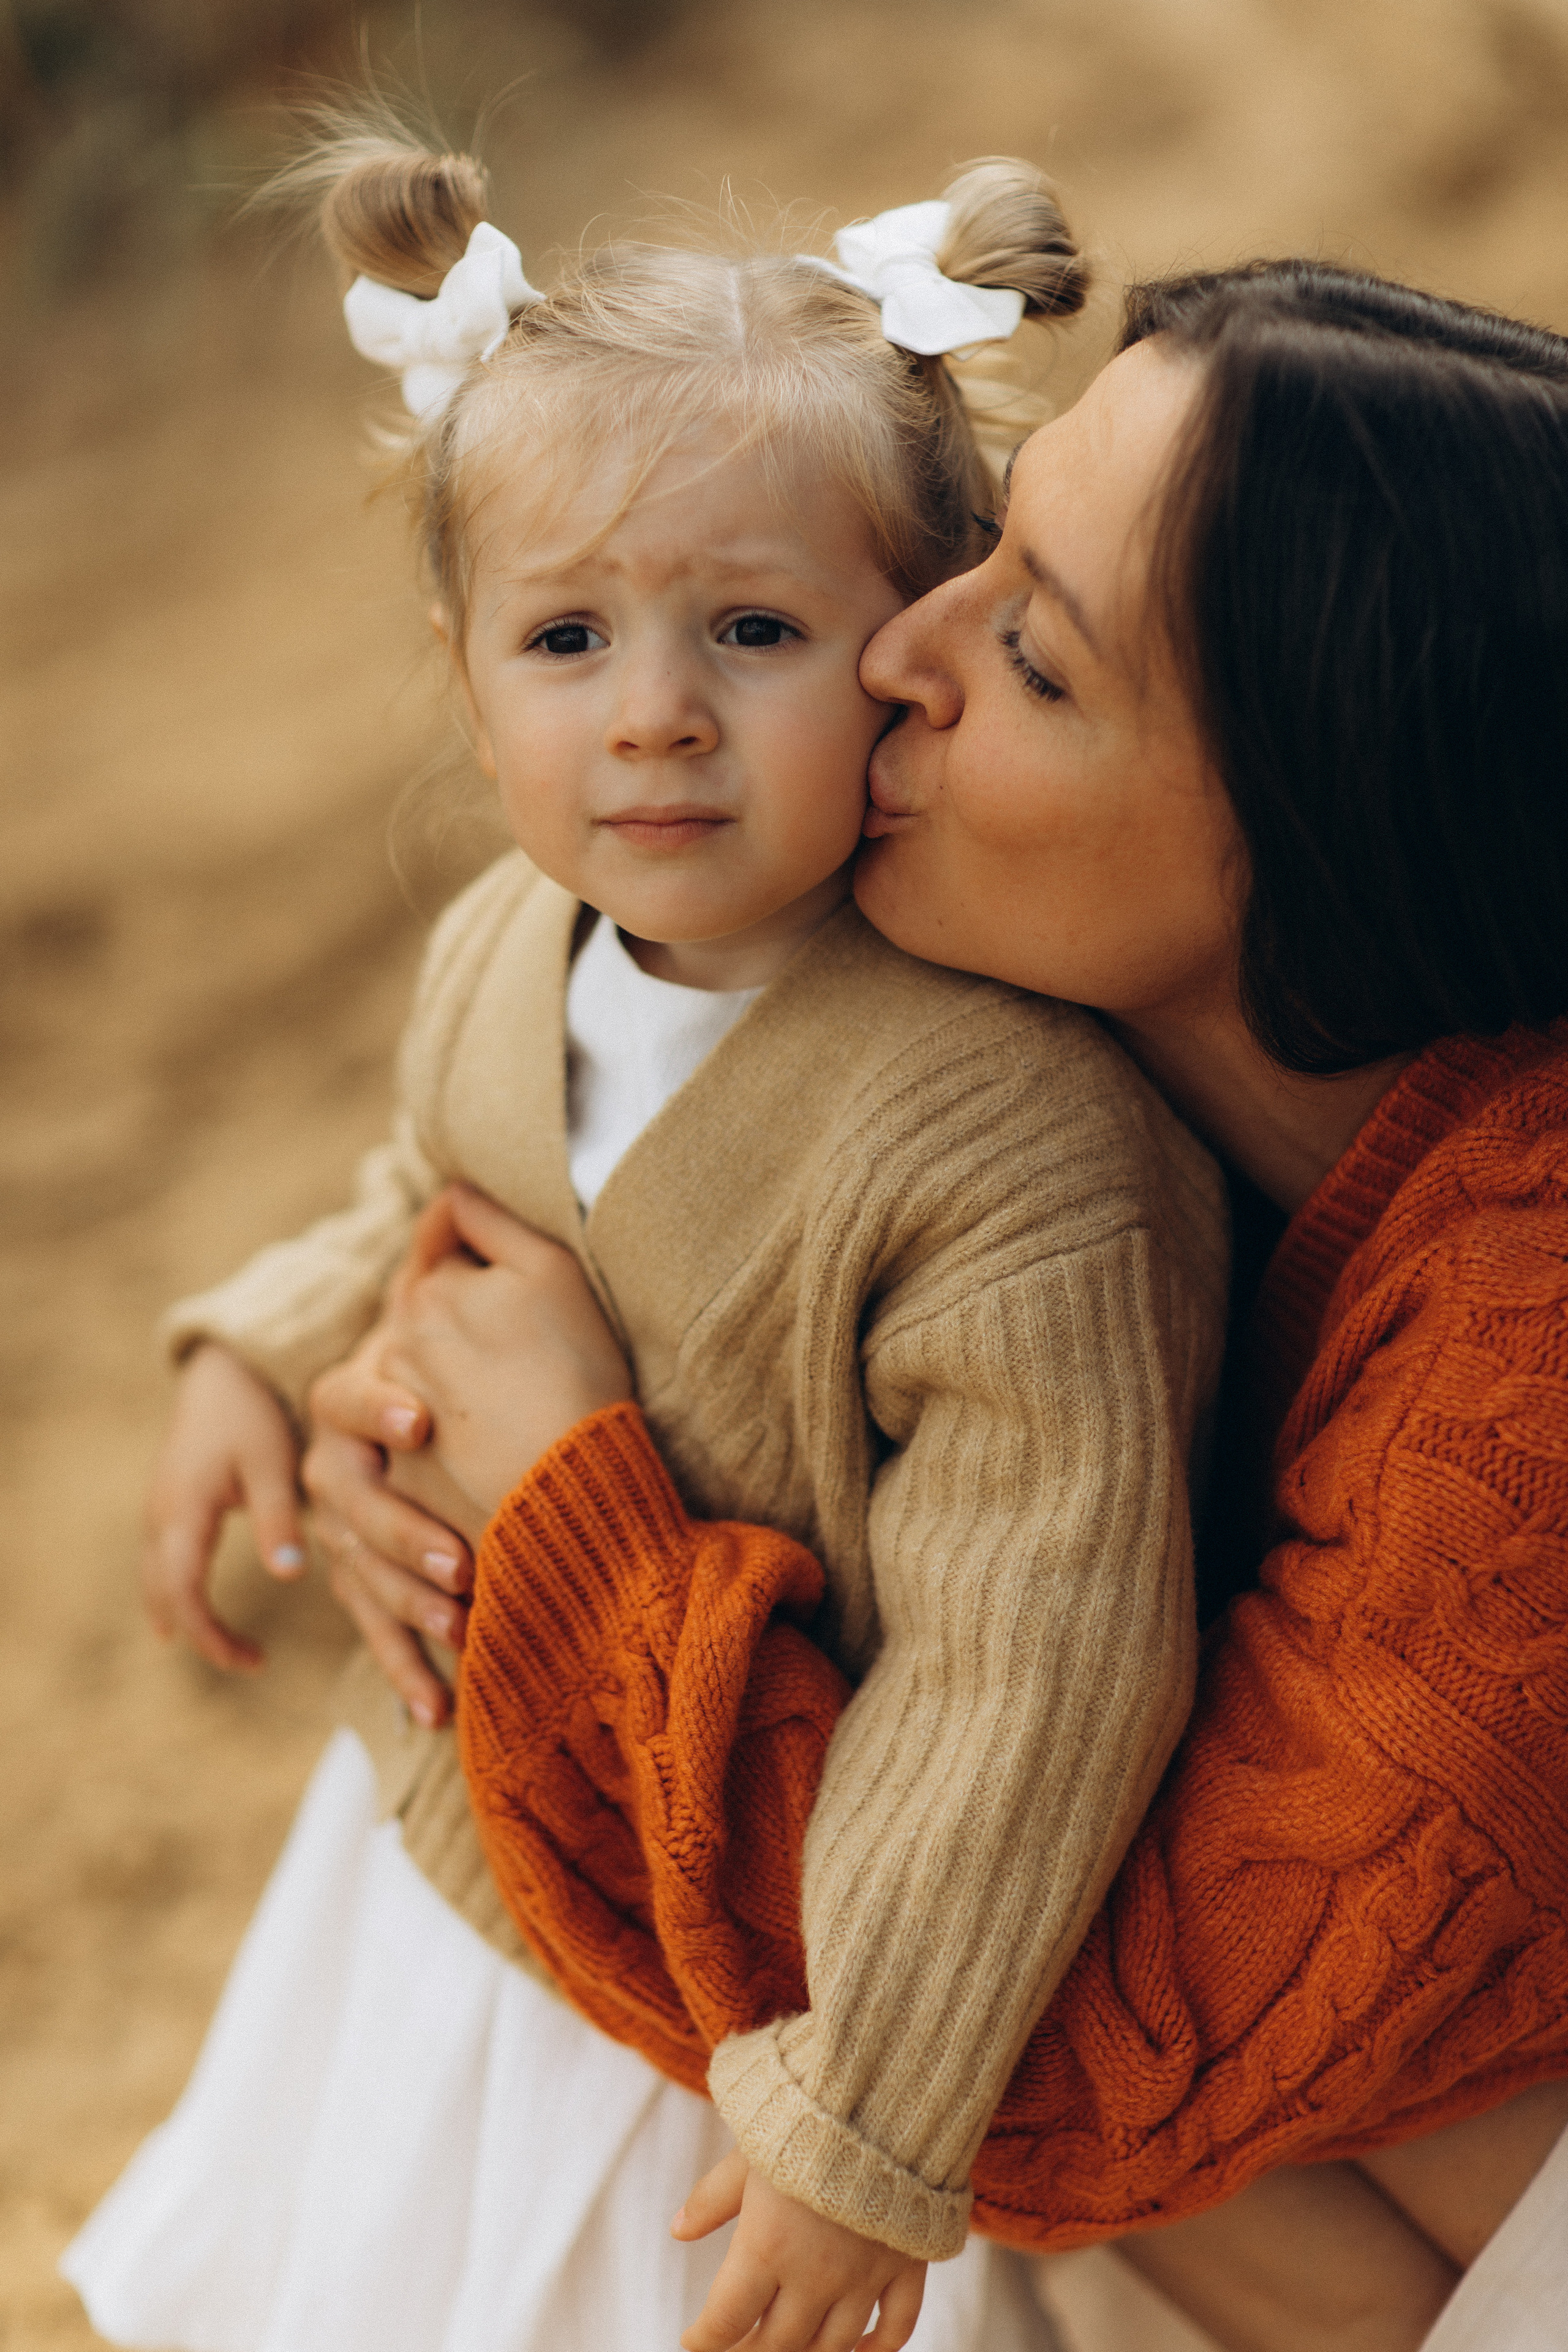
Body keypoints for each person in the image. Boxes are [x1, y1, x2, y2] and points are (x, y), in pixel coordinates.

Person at [307, 260, 1568, 2352]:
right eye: (986, 547)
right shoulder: (1052, 1039)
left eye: (1032, 653)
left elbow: (1066, 2067)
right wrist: (354, 1381)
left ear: (1320, 827)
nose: (894, 645)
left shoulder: (1513, 1411)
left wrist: (569, 1542)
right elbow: (523, 1148)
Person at [62, 128, 1240, 2352]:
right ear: (465, 678)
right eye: (568, 636)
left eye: (756, 631)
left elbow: (1037, 1668)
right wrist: (263, 1348)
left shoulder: (1007, 1145)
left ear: (916, 648)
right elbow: (448, 1183)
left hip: (764, 1988)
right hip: (470, 1841)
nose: (655, 711)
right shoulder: (519, 945)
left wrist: (859, 2114)